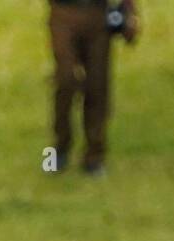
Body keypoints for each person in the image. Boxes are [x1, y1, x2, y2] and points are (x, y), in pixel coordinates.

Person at [49, 0, 138, 175]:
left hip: (98, 14)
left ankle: (94, 154)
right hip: (63, 12)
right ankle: (61, 146)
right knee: (66, 79)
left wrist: (129, 11)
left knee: (97, 85)